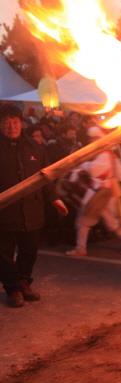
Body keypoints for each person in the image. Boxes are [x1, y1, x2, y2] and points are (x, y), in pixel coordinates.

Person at [0, 104, 68, 308]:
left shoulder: (35, 147)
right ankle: (12, 289)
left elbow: (45, 178)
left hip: (31, 211)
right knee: (3, 254)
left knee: (29, 251)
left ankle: (24, 283)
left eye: (14, 121)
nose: (10, 126)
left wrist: (55, 198)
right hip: (4, 213)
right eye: (5, 122)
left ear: (21, 123)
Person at [65, 126, 121, 257]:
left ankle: (81, 248)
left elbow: (95, 170)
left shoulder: (104, 154)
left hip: (101, 193)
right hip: (102, 192)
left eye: (93, 138)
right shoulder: (104, 153)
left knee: (85, 220)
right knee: (108, 222)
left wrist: (82, 165)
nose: (91, 140)